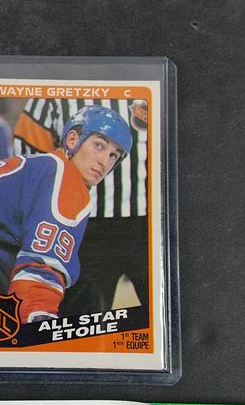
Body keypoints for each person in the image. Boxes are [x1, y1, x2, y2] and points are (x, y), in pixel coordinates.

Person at [0, 105, 132, 325]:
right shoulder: (66, 179)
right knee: (84, 297)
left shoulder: (43, 166)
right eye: (99, 145)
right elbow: (41, 268)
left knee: (82, 290)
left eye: (113, 155)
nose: (104, 161)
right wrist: (38, 324)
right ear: (72, 140)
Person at [13, 98, 149, 316]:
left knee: (168, 315)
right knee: (80, 323)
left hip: (148, 227)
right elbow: (29, 159)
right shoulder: (52, 96)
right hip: (79, 227)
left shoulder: (150, 90)